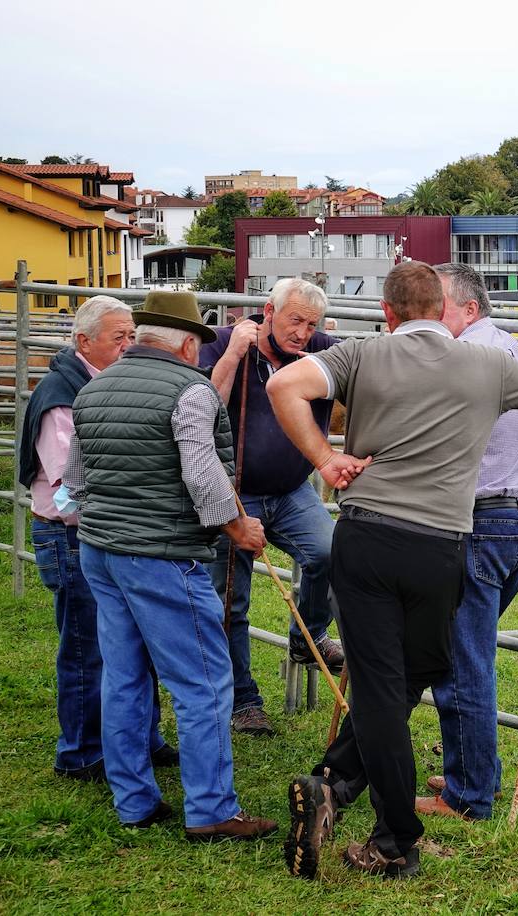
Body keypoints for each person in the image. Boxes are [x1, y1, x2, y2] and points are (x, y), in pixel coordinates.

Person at [269, 261, 518, 880]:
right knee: (415, 673)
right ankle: (394, 836)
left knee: (389, 681)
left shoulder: (361, 354)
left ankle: (334, 787)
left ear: (388, 311)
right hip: (440, 545)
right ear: (443, 307)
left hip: (368, 536)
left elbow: (283, 389)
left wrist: (325, 459)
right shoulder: (485, 363)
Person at [63, 290, 276, 840]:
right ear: (186, 343)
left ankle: (133, 801)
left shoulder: (94, 387)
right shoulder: (191, 390)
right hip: (162, 556)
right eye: (198, 345)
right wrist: (240, 527)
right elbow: (204, 479)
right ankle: (211, 809)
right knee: (202, 682)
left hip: (101, 552)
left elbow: (77, 482)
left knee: (125, 678)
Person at [19, 296, 177, 783]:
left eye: (132, 336)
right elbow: (68, 491)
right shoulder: (61, 396)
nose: (129, 346)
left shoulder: (95, 386)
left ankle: (141, 739)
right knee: (88, 646)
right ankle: (82, 751)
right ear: (84, 341)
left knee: (132, 642)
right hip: (73, 537)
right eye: (119, 338)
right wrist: (123, 514)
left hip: (102, 532)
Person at [412, 263, 518, 822]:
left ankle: (468, 797)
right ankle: (469, 769)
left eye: (435, 304)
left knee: (462, 664)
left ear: (468, 308)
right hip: (513, 525)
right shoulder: (506, 346)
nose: (426, 315)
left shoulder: (465, 356)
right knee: (457, 655)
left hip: (479, 525)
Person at [199, 278, 343, 737]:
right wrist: (233, 354)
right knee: (230, 601)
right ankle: (243, 701)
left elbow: (360, 379)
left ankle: (309, 637)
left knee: (331, 553)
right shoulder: (226, 341)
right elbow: (203, 408)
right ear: (269, 310)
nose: (303, 332)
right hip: (233, 493)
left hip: (292, 489)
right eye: (295, 320)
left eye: (312, 323)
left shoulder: (323, 348)